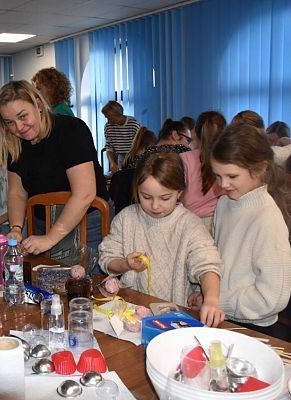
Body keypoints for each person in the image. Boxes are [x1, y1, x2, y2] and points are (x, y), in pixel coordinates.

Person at [98, 153, 224, 327]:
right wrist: (126, 264)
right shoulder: (126, 218)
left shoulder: (189, 224)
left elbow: (207, 264)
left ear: (179, 192)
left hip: (174, 316)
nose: (155, 206)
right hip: (131, 311)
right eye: (146, 197)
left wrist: (211, 299)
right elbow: (107, 260)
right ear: (136, 190)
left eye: (165, 198)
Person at [0, 80, 109, 257]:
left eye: (23, 116)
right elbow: (16, 192)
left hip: (87, 223)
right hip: (43, 224)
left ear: (38, 105)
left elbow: (84, 193)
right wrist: (16, 228)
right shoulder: (15, 144)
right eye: (9, 122)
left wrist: (50, 238)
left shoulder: (71, 130)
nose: (18, 127)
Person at [205, 123, 290, 339]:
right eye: (217, 175)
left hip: (253, 326)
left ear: (260, 169)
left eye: (232, 176)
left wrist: (217, 298)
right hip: (221, 313)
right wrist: (209, 293)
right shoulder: (224, 203)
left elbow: (273, 297)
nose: (223, 184)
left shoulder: (267, 218)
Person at [180, 111, 227, 231]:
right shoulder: (228, 159)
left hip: (190, 222)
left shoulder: (184, 158)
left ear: (194, 133)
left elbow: (177, 194)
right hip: (222, 222)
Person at [126, 118, 191, 169]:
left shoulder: (138, 158)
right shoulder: (181, 152)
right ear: (175, 135)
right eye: (188, 140)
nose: (188, 145)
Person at [102, 101, 141, 173]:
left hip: (135, 155)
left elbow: (139, 145)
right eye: (106, 118)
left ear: (118, 115)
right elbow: (109, 147)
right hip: (120, 156)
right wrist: (112, 163)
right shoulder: (108, 126)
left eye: (110, 118)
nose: (108, 121)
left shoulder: (133, 124)